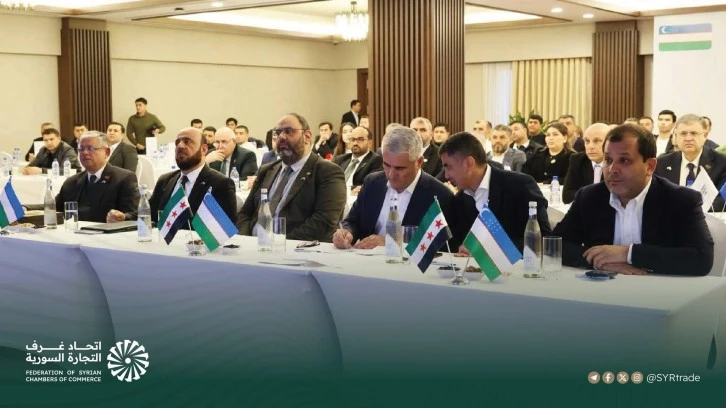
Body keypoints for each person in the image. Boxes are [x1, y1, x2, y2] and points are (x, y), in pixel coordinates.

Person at [553, 124, 713, 276]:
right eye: (608, 160)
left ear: (650, 166)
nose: (612, 169)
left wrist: (628, 253)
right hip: (602, 287)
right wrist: (601, 261)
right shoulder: (589, 197)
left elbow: (701, 258)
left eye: (624, 161)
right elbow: (554, 246)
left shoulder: (680, 200)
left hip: (660, 289)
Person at [332, 126, 453, 249]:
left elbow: (442, 246)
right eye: (386, 165)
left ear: (419, 162)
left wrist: (391, 243)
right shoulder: (372, 182)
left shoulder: (439, 195)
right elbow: (352, 221)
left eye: (400, 168)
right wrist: (347, 233)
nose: (391, 174)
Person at [237, 113, 347, 242]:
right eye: (278, 132)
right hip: (254, 245)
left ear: (307, 136)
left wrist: (279, 244)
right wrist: (245, 240)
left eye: (289, 131)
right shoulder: (266, 170)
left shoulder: (327, 172)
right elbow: (245, 213)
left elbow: (323, 223)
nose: (282, 137)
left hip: (296, 248)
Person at [439, 132, 550, 252]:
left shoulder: (520, 186)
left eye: (449, 167)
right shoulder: (459, 199)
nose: (446, 175)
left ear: (469, 163)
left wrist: (490, 250)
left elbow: (543, 239)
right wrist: (462, 248)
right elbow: (453, 242)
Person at [109, 127, 237, 225]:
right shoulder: (166, 180)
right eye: (177, 142)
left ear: (203, 149)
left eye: (187, 142)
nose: (180, 146)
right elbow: (150, 213)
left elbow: (224, 229)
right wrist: (125, 217)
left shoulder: (219, 184)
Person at [53, 131, 139, 223]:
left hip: (108, 231)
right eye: (81, 149)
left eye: (90, 148)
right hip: (75, 231)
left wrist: (123, 217)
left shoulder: (123, 179)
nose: (85, 153)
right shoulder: (72, 182)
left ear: (106, 152)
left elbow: (135, 214)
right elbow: (53, 208)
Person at [655, 114, 726, 211]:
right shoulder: (662, 163)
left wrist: (692, 208)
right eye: (683, 133)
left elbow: (723, 199)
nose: (688, 138)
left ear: (705, 136)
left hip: (707, 217)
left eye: (693, 133)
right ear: (676, 136)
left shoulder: (721, 162)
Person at [562, 123, 609, 204]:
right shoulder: (577, 160)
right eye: (587, 141)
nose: (590, 146)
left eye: (597, 141)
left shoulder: (618, 164)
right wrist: (595, 196)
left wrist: (584, 195)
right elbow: (567, 196)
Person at [332, 126, 382, 194]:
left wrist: (349, 190)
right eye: (353, 139)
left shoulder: (375, 160)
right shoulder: (340, 159)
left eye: (360, 139)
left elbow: (371, 185)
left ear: (369, 143)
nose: (355, 143)